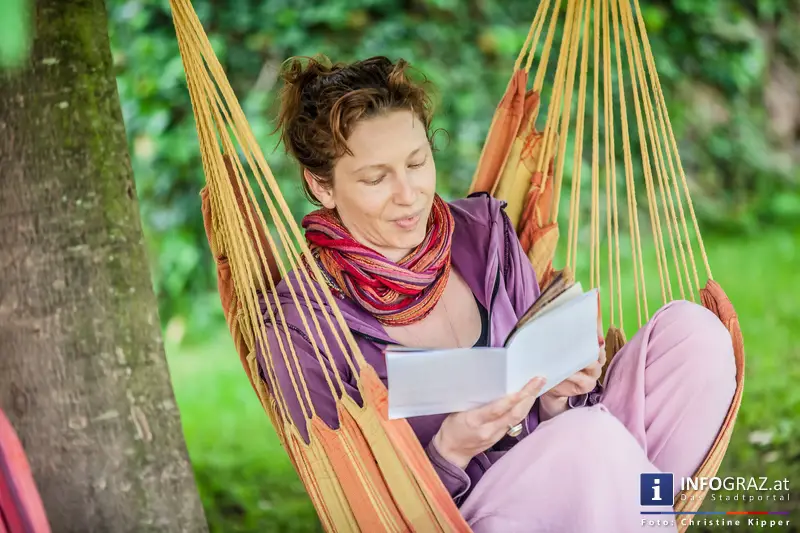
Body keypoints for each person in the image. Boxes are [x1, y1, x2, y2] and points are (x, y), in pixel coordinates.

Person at [257, 55, 736, 532]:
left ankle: (634, 513)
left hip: (573, 455)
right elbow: (361, 509)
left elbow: (559, 412)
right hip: (461, 518)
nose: (410, 194)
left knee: (694, 337)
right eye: (376, 178)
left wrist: (559, 393)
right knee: (592, 441)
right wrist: (451, 450)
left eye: (418, 162)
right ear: (321, 186)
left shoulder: (482, 231)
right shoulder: (303, 329)